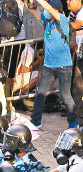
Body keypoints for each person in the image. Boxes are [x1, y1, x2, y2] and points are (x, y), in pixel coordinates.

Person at [29, 0, 78, 129]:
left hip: (63, 66)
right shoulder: (46, 21)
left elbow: (48, 10)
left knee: (65, 95)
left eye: (48, 10)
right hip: (48, 66)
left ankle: (73, 122)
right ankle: (35, 122)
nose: (45, 12)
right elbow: (34, 12)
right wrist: (27, 4)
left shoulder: (62, 20)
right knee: (40, 94)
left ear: (55, 9)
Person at [68, 0, 83, 128]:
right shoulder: (72, 14)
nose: (67, 2)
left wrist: (61, 24)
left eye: (71, 0)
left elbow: (77, 25)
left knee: (78, 89)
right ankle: (79, 120)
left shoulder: (82, 13)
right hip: (79, 56)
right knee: (76, 89)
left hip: (81, 57)